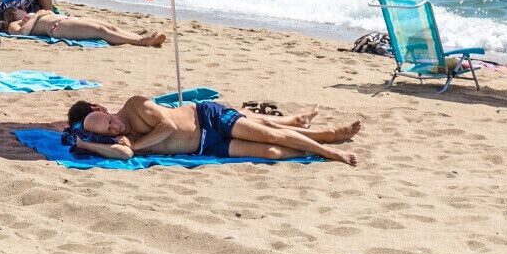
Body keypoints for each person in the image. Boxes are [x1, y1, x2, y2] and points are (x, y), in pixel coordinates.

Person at [65, 96, 362, 166]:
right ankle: (315, 136)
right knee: (273, 151)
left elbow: (167, 126)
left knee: (269, 130)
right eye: (106, 131)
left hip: (208, 119)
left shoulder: (135, 105)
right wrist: (88, 144)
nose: (113, 127)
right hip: (205, 147)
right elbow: (122, 153)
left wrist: (140, 146)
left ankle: (329, 147)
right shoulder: (119, 139)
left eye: (107, 121)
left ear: (102, 110)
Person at [0, 9, 165, 47]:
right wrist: (37, 15)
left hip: (66, 19)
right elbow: (21, 34)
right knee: (102, 32)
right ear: (11, 14)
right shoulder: (15, 23)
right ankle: (142, 42)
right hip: (58, 27)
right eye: (16, 9)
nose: (20, 9)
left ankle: (142, 36)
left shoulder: (30, 14)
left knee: (108, 25)